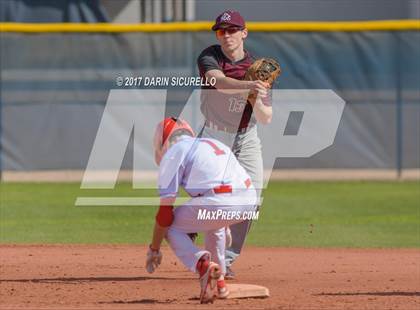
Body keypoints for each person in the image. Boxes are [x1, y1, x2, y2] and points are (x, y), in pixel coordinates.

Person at [145, 117, 257, 303]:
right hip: (249, 199)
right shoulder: (210, 143)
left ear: (162, 142)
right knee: (214, 225)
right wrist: (226, 221)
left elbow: (164, 216)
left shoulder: (174, 152)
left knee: (170, 226)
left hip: (221, 201)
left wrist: (154, 248)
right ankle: (218, 282)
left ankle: (202, 264)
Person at [197, 10, 272, 279]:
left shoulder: (258, 67)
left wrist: (256, 99)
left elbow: (266, 118)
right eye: (221, 31)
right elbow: (218, 82)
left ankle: (226, 260)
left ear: (244, 32)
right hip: (215, 136)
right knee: (215, 199)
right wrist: (248, 85)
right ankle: (208, 248)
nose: (226, 35)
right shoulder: (210, 56)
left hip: (247, 136)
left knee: (252, 200)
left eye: (232, 30)